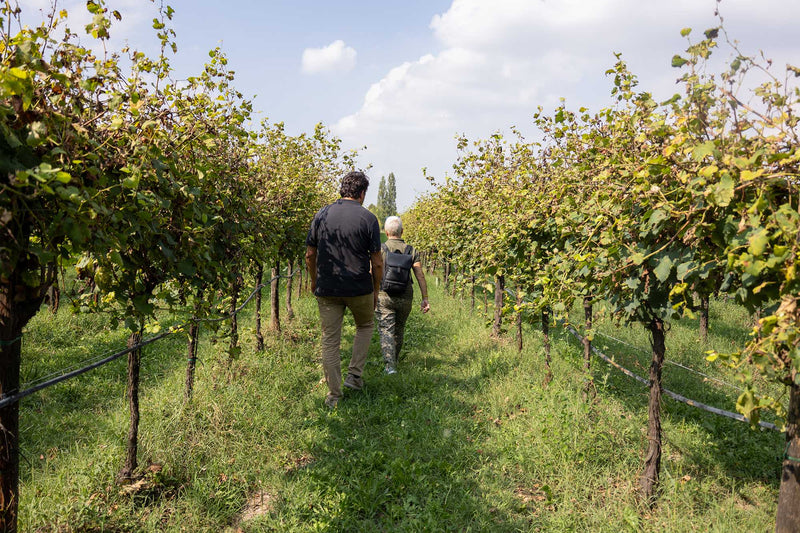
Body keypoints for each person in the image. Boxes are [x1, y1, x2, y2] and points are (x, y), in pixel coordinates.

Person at [306, 171, 383, 409]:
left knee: (330, 340)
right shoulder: (369, 218)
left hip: (328, 287)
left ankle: (334, 395)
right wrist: (376, 290)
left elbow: (310, 254)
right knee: (365, 325)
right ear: (362, 194)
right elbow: (378, 262)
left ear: (342, 190)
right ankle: (354, 376)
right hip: (359, 287)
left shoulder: (322, 214)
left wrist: (314, 280)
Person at [376, 216, 430, 375]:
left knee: (386, 329)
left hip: (384, 295)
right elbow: (419, 274)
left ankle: (389, 366)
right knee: (399, 329)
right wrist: (425, 297)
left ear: (386, 232)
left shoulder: (380, 248)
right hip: (405, 295)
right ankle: (395, 359)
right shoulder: (411, 250)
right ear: (402, 231)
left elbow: (373, 270)